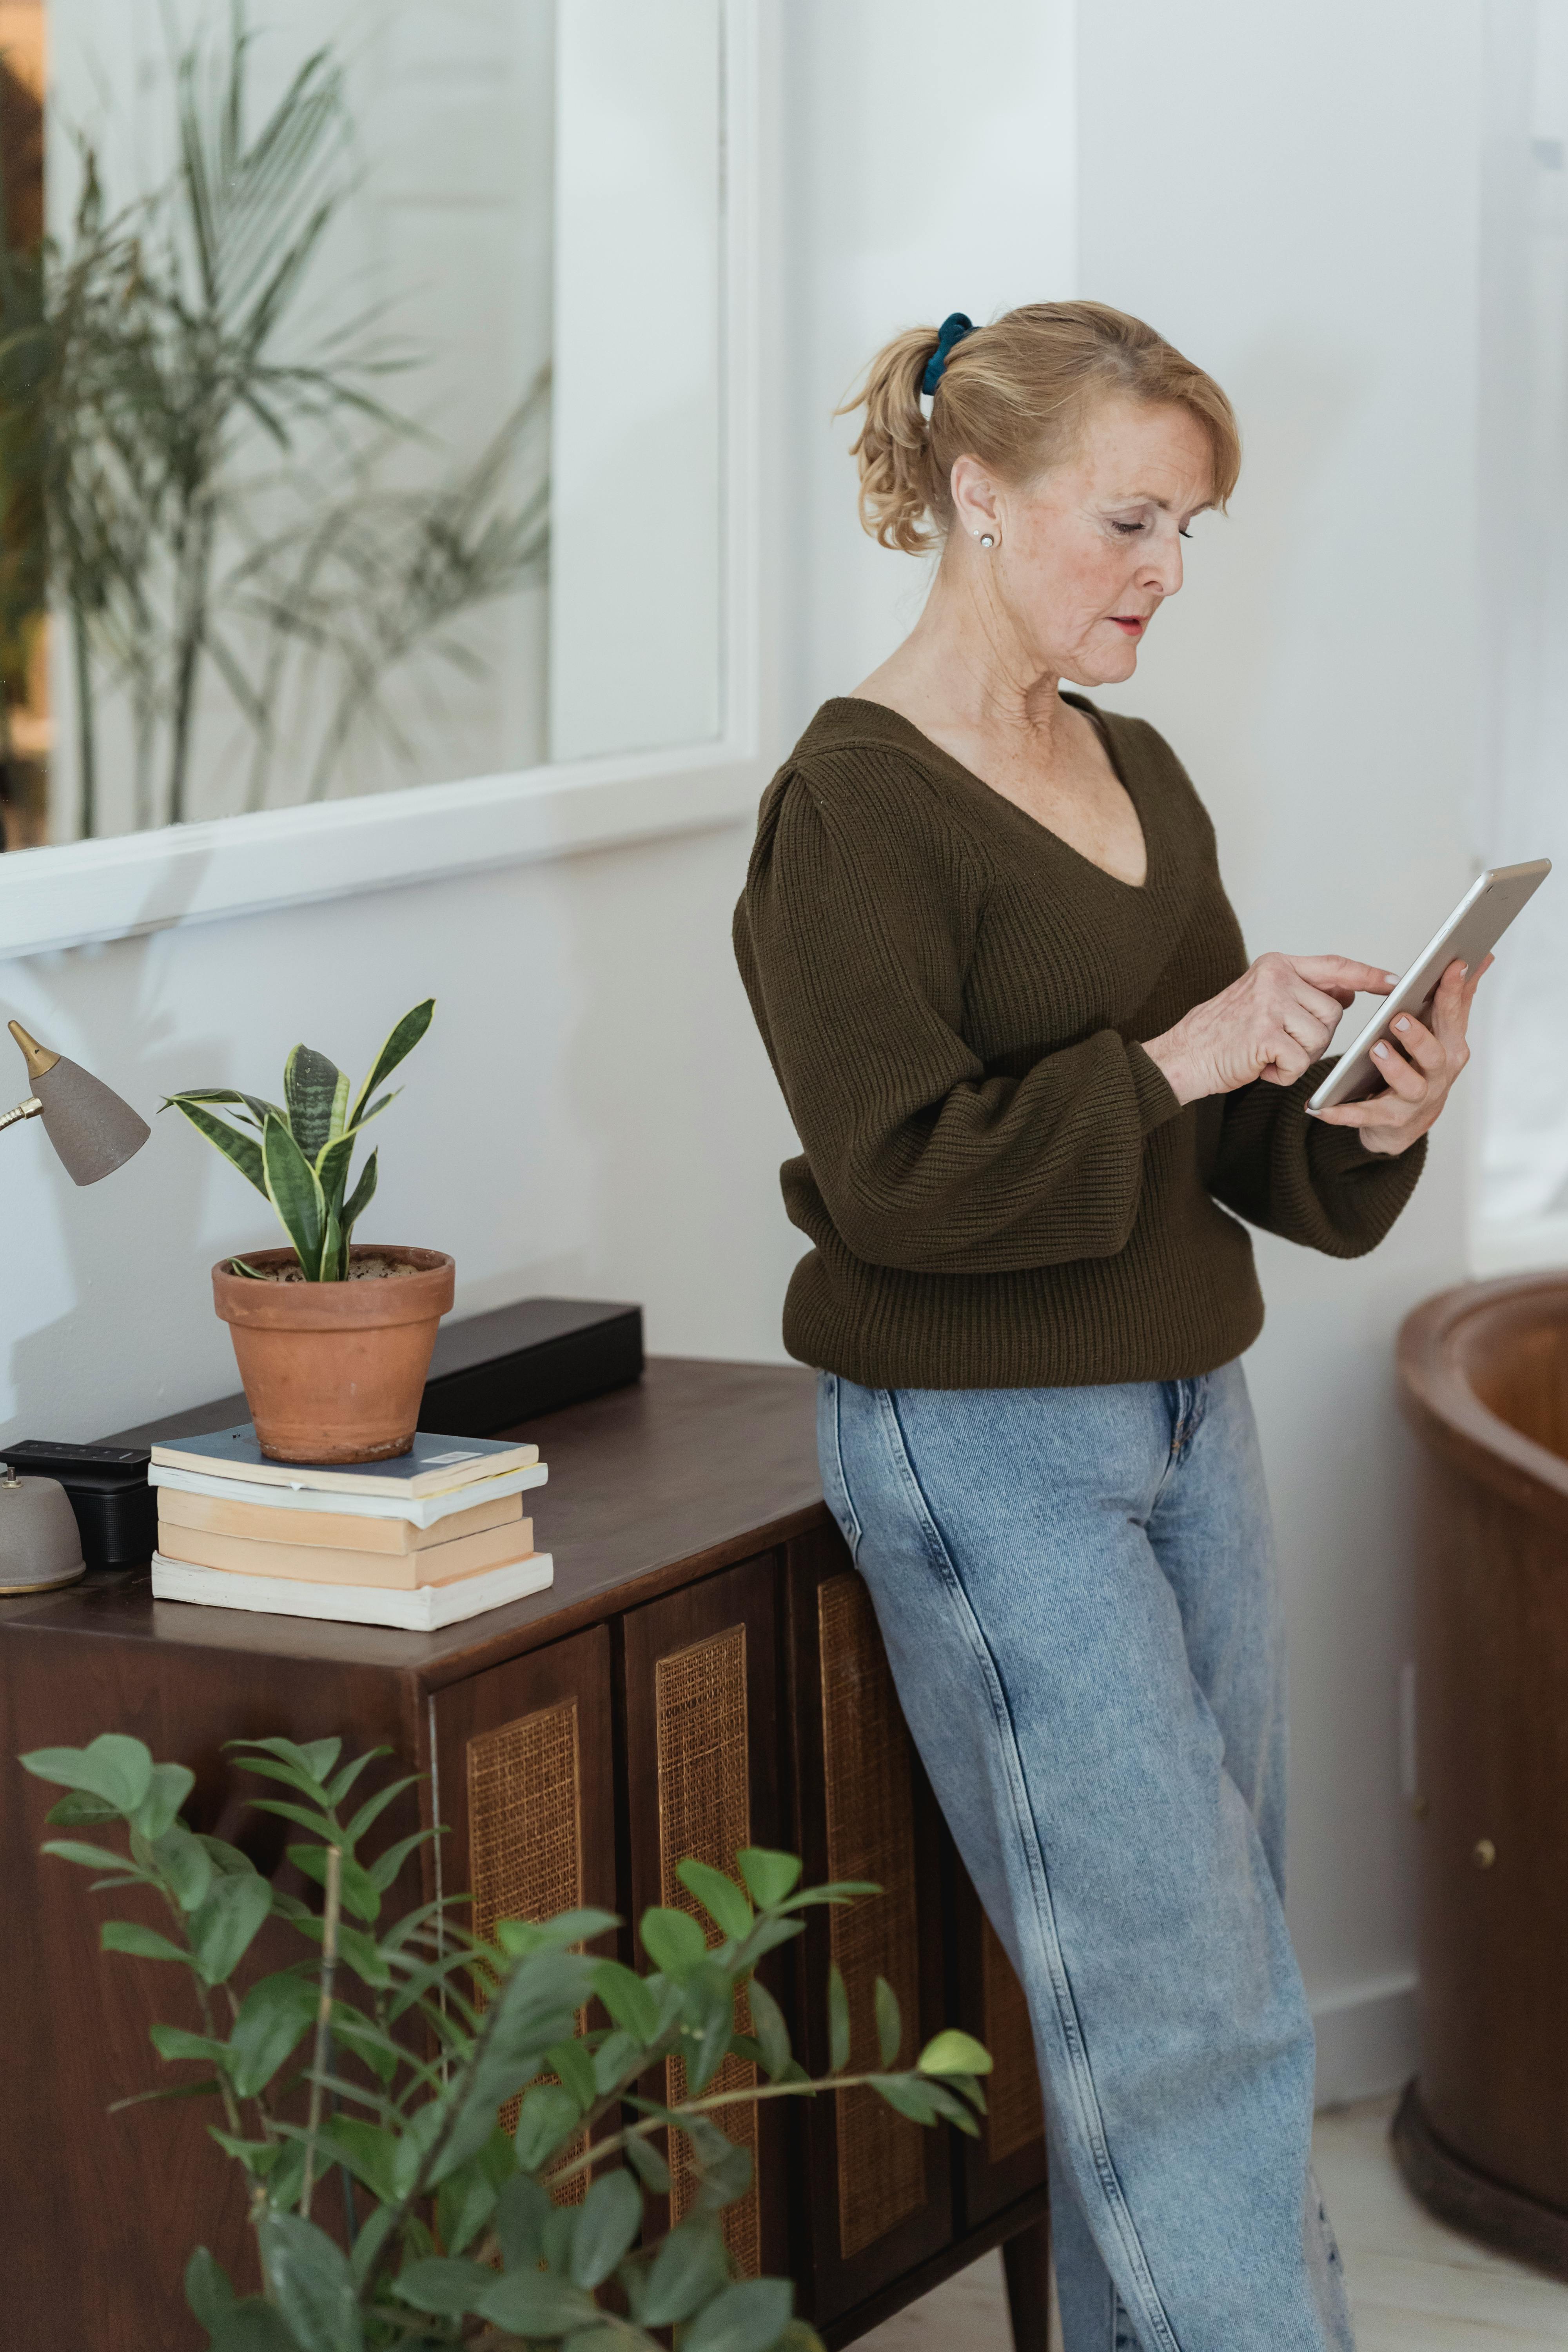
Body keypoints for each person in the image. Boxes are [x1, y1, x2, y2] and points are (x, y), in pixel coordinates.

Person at [732, 302, 1486, 2352]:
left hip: (1178, 1412)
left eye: (1194, 528)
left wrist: (1368, 1108)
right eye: (1132, 519)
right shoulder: (852, 808)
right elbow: (900, 1176)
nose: (1168, 569)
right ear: (979, 496)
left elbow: (1236, 1153)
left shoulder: (1136, 767)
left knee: (1214, 1960)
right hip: (985, 1446)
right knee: (1186, 2004)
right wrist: (1182, 1053)